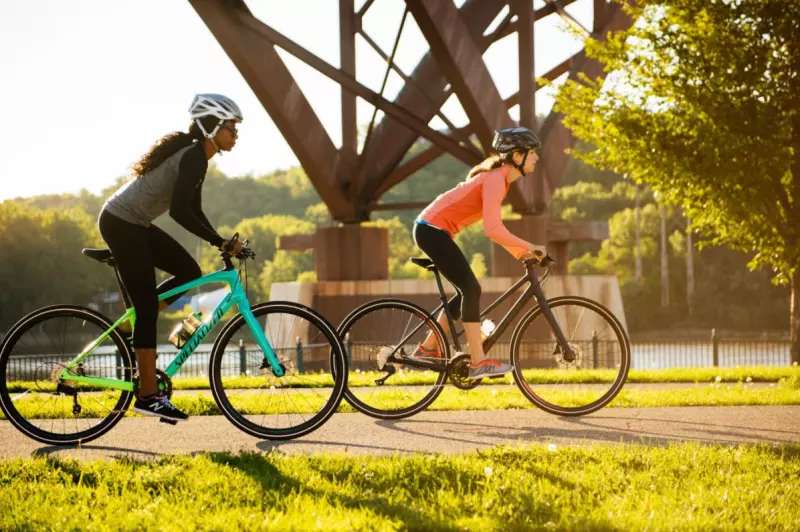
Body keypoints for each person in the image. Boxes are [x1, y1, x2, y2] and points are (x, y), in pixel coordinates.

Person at [98, 94, 244, 422]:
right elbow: (179, 211)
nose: (235, 134)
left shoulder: (198, 158)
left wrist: (220, 242)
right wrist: (218, 240)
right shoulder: (193, 156)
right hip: (122, 223)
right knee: (150, 307)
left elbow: (194, 210)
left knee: (189, 272)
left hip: (134, 223)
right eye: (231, 127)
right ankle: (148, 395)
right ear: (212, 126)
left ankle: (140, 316)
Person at [413, 127, 546, 380]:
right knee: (471, 289)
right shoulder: (496, 180)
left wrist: (522, 254)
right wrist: (530, 246)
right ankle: (478, 362)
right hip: (431, 230)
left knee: (467, 290)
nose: (536, 158)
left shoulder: (499, 181)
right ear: (517, 156)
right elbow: (493, 229)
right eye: (533, 154)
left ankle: (428, 348)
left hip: (432, 230)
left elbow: (496, 231)